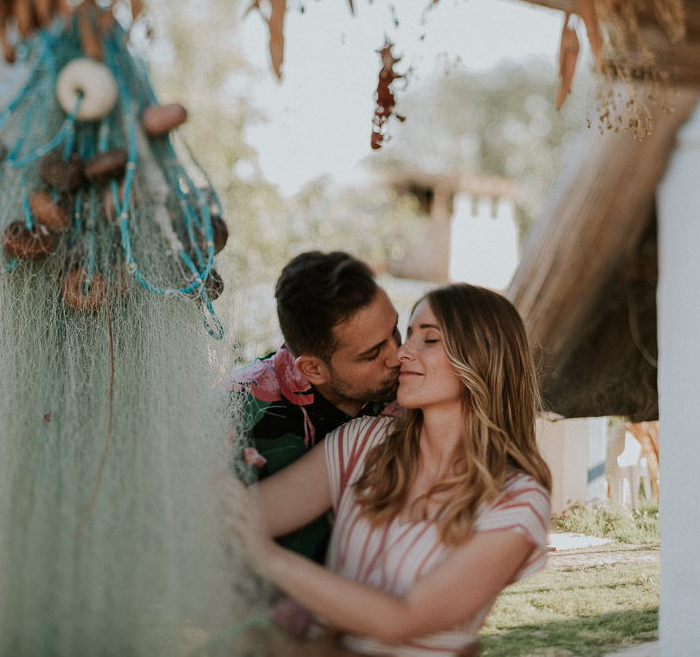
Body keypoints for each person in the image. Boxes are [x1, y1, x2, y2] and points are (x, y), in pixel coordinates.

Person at [223, 283, 553, 656]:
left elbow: (402, 620)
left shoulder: (517, 499)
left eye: (429, 339)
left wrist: (268, 558)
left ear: (480, 358)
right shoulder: (365, 443)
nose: (402, 353)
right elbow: (240, 516)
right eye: (408, 334)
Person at [225, 251, 402, 562]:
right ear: (314, 369)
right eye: (373, 353)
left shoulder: (412, 387)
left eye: (395, 331)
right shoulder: (234, 413)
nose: (398, 355)